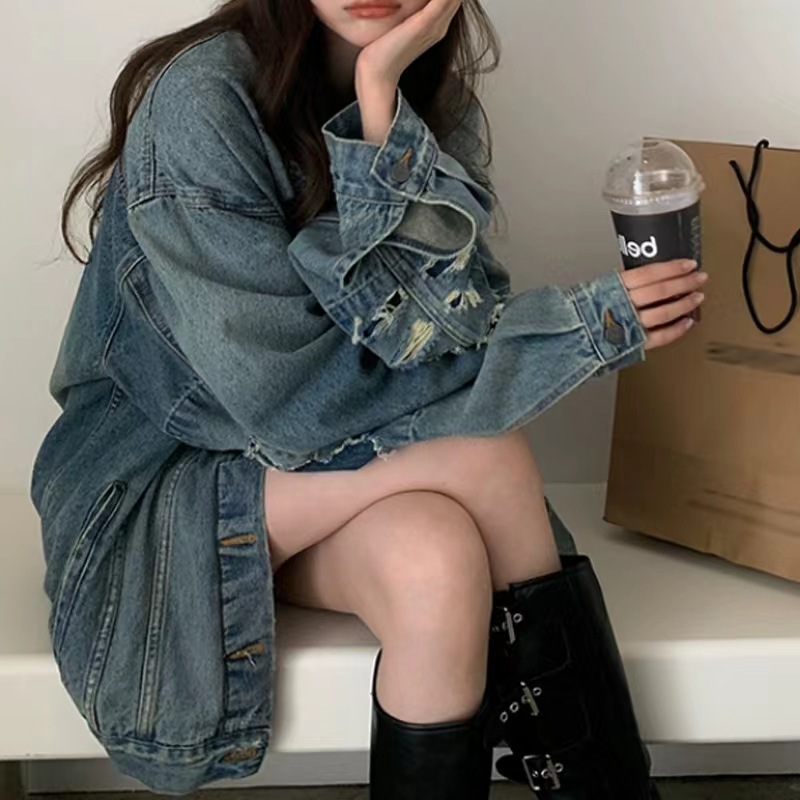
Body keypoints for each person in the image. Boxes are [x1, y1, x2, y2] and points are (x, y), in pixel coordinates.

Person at [33, 0, 708, 796]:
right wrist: (582, 331)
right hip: (165, 483)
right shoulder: (200, 100)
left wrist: (382, 106)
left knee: (435, 564)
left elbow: (441, 340)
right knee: (484, 455)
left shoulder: (429, 101)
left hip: (323, 470)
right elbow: (292, 406)